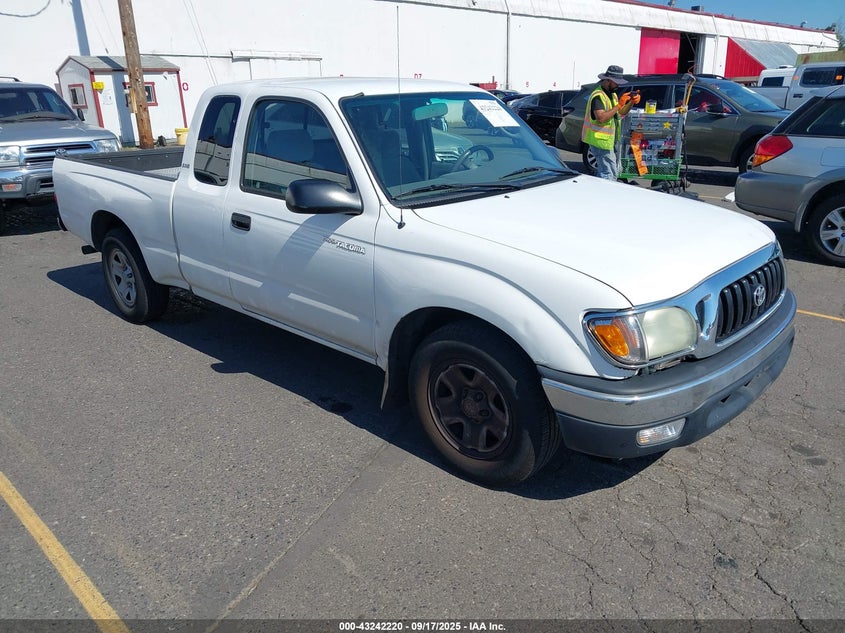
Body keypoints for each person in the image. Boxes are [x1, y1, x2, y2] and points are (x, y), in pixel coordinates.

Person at [581, 65, 640, 181]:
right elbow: (601, 118)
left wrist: (631, 102)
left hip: (608, 141)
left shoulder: (612, 95)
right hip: (599, 141)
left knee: (609, 171)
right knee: (608, 173)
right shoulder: (598, 96)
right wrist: (618, 105)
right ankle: (605, 196)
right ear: (608, 80)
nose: (618, 85)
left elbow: (619, 114)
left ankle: (602, 194)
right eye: (616, 82)